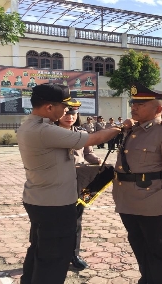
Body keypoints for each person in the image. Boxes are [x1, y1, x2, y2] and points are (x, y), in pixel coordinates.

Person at [16, 83, 121, 284]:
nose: (67, 110)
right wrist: (120, 127)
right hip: (55, 205)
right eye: (64, 106)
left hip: (38, 199)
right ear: (48, 107)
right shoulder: (44, 130)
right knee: (54, 259)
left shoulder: (29, 126)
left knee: (38, 250)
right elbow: (94, 138)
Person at [112, 82, 162, 284]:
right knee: (139, 247)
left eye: (140, 104)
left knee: (161, 252)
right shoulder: (131, 130)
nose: (134, 107)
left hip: (154, 203)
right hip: (127, 201)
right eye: (133, 103)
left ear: (158, 108)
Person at [56, 100, 102, 270]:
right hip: (58, 183)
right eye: (67, 113)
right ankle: (55, 254)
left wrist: (97, 161)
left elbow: (88, 154)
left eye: (73, 114)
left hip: (80, 181)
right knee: (56, 221)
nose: (70, 117)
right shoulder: (52, 133)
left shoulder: (82, 134)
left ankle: (74, 254)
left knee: (76, 220)